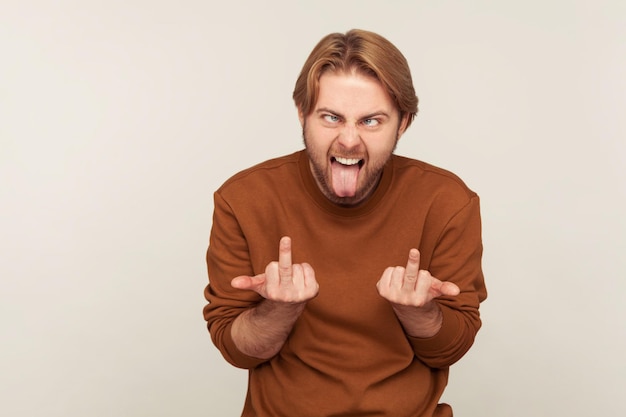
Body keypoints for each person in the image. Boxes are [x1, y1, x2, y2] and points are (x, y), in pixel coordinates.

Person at [203, 28, 487, 417]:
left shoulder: (448, 202)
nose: (349, 140)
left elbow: (452, 348)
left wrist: (419, 313)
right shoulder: (243, 199)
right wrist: (278, 311)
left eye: (371, 121)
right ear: (303, 114)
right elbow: (236, 351)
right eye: (332, 117)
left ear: (402, 123)